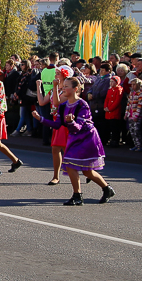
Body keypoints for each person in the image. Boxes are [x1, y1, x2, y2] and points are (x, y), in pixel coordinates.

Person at [33, 77, 117, 206]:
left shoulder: (82, 104)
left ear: (75, 89)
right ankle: (90, 193)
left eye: (66, 86)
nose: (63, 88)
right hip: (74, 137)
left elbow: (78, 127)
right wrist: (41, 119)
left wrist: (71, 122)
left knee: (84, 169)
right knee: (73, 166)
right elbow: (57, 125)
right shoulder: (63, 106)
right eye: (63, 86)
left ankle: (95, 191)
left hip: (87, 138)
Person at [125, 78, 142, 152]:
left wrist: (136, 116)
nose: (132, 86)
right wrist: (126, 114)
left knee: (137, 131)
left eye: (134, 84)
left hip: (136, 116)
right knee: (132, 131)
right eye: (132, 84)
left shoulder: (141, 94)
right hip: (130, 115)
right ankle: (135, 145)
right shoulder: (131, 93)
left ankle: (139, 145)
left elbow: (140, 106)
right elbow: (128, 104)